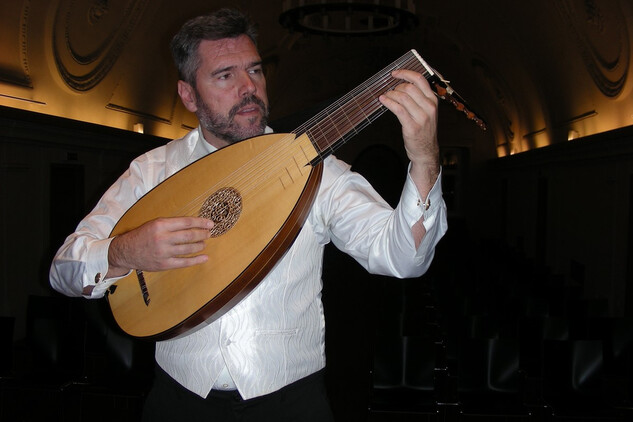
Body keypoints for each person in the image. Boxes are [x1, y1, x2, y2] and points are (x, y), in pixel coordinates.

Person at [49, 8, 448, 422]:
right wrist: (125, 251)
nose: (249, 88)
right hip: (179, 402)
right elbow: (63, 269)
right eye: (225, 76)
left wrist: (424, 159)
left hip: (291, 405)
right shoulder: (152, 172)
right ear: (188, 95)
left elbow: (405, 259)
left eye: (255, 70)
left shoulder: (317, 170)